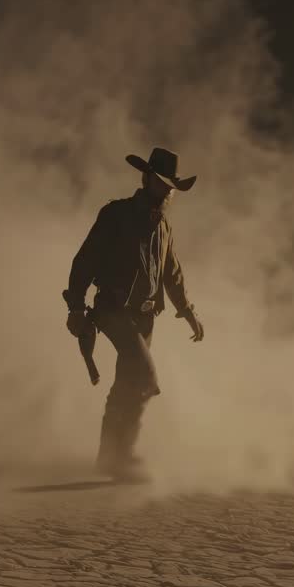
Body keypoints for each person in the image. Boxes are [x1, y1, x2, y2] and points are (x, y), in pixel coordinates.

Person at [63, 147, 205, 481]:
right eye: (163, 183)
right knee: (144, 376)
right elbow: (85, 260)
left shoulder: (164, 226)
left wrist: (187, 311)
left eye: (172, 186)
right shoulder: (117, 214)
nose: (169, 191)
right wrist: (76, 307)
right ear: (147, 179)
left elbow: (172, 272)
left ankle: (111, 458)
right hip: (113, 309)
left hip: (146, 316)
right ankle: (121, 456)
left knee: (129, 382)